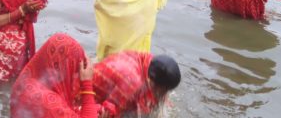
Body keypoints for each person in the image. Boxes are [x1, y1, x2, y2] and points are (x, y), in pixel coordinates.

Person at [10, 33, 181, 118]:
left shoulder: (145, 61)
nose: (78, 69)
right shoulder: (48, 102)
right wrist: (86, 86)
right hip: (82, 96)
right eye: (73, 66)